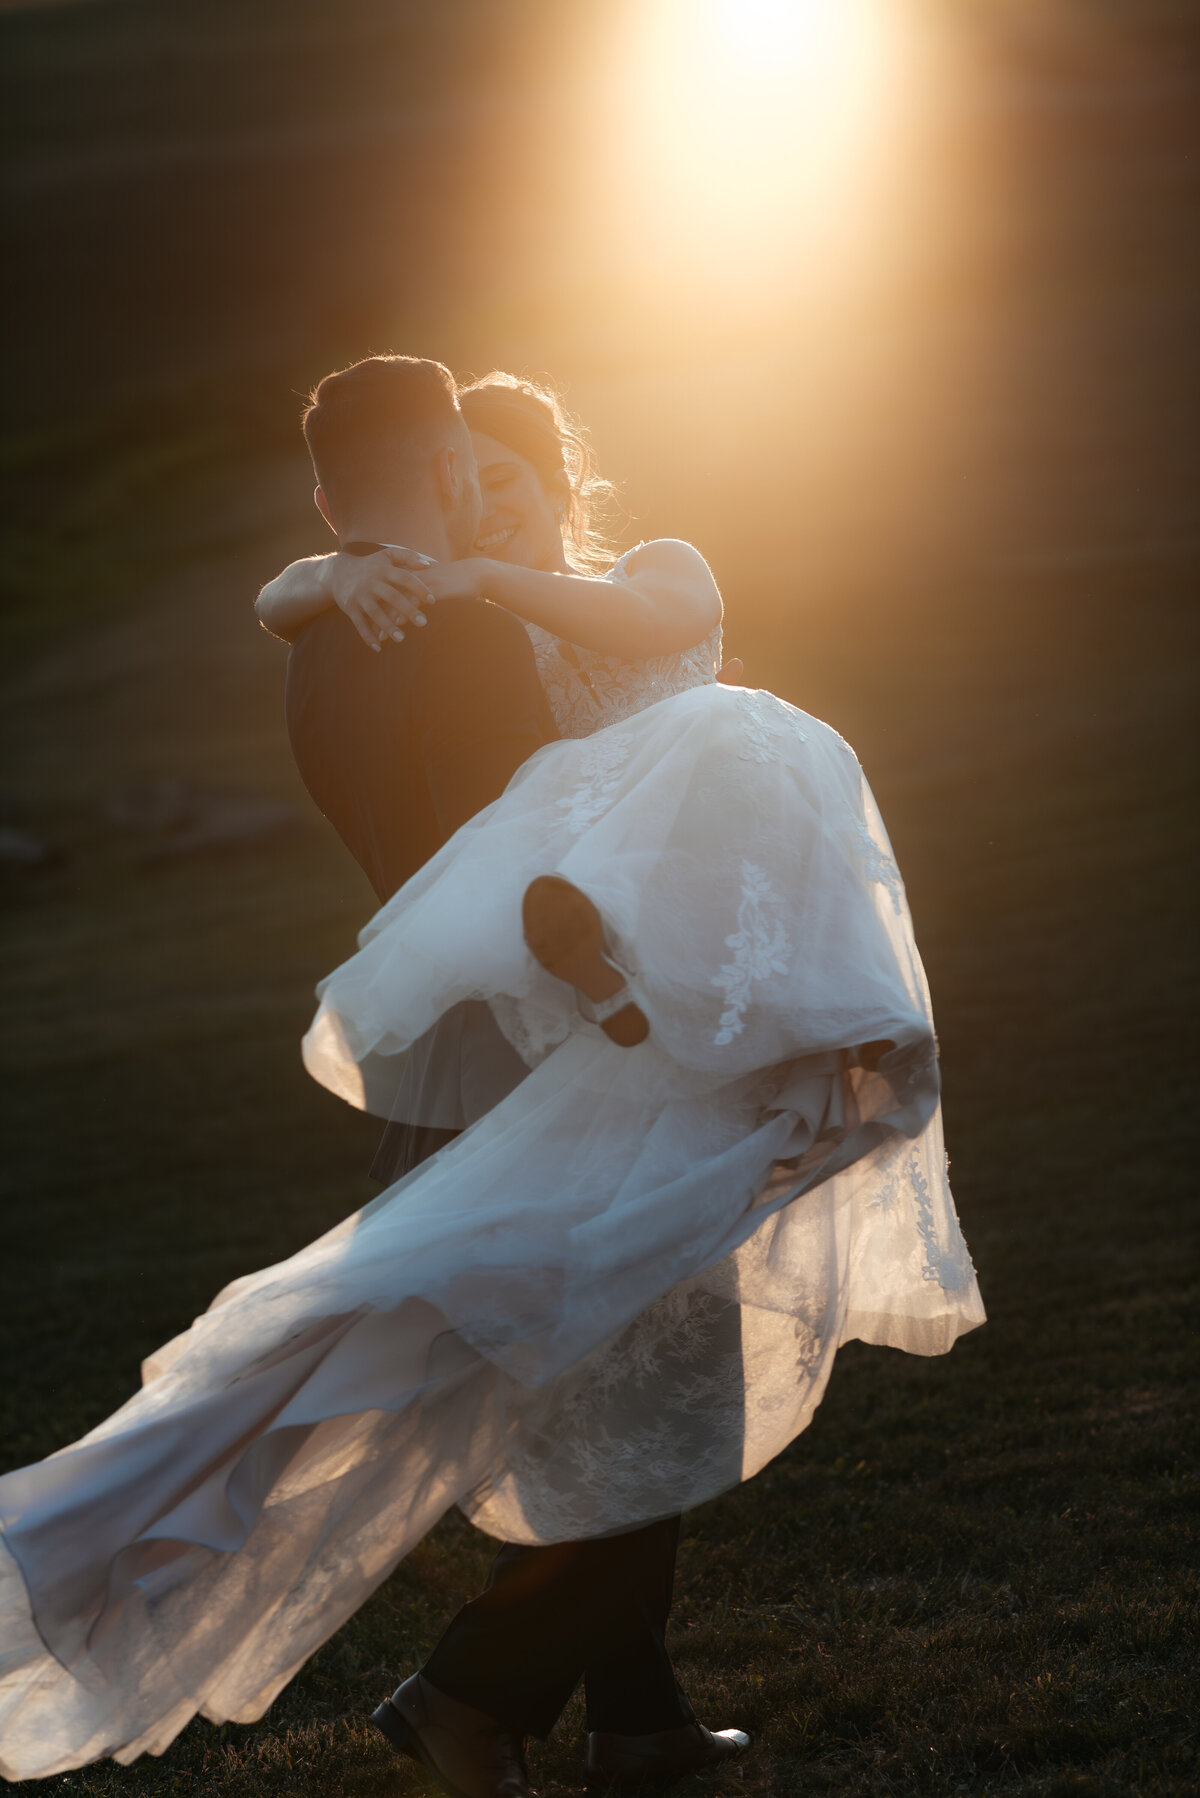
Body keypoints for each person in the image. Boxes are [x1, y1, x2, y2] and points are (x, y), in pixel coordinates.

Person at [0, 360, 985, 1792]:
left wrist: (338, 578)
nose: (495, 504)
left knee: (598, 1390)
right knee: (638, 1385)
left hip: (455, 1062)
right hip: (553, 1063)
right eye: (479, 477)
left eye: (521, 482)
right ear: (450, 483)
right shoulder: (452, 634)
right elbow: (549, 860)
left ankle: (639, 1720)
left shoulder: (356, 626)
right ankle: (473, 1687)